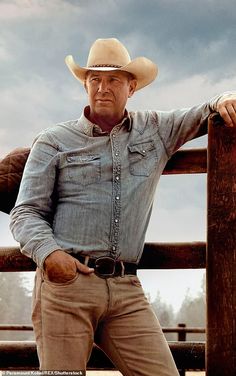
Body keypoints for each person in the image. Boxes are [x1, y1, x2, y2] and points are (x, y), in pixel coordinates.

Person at [10, 38, 236, 376]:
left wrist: (223, 99)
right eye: (95, 79)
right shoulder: (54, 140)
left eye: (114, 79)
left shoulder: (156, 129)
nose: (103, 87)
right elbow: (25, 212)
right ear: (85, 85)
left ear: (132, 87)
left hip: (126, 288)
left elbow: (202, 112)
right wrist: (51, 256)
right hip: (67, 286)